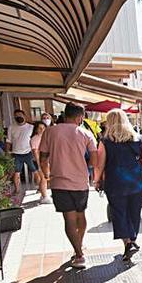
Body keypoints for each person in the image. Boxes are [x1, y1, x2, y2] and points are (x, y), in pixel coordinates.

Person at [39, 103, 98, 269]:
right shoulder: (85, 133)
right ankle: (79, 246)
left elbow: (43, 158)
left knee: (69, 218)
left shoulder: (49, 132)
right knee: (81, 215)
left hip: (59, 182)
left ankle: (78, 253)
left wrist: (46, 174)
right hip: (80, 182)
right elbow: (94, 160)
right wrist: (92, 174)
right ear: (80, 117)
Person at [93, 110, 142, 262]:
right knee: (134, 211)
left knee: (119, 212)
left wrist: (96, 180)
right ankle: (133, 237)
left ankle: (127, 242)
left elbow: (99, 165)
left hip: (115, 182)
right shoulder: (138, 140)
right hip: (137, 182)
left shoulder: (105, 143)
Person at [6, 109, 37, 198]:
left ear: (24, 116)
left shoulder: (31, 127)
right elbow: (9, 141)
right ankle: (17, 190)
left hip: (28, 153)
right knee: (16, 173)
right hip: (16, 154)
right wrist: (7, 152)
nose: (18, 117)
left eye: (20, 115)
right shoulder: (11, 127)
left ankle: (40, 187)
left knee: (35, 171)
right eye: (16, 116)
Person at [29, 121, 51, 204]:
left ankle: (43, 195)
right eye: (40, 128)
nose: (42, 130)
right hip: (39, 161)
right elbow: (35, 153)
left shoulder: (44, 138)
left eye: (43, 128)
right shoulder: (35, 139)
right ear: (36, 130)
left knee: (45, 178)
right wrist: (39, 165)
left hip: (45, 161)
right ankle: (45, 197)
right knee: (43, 179)